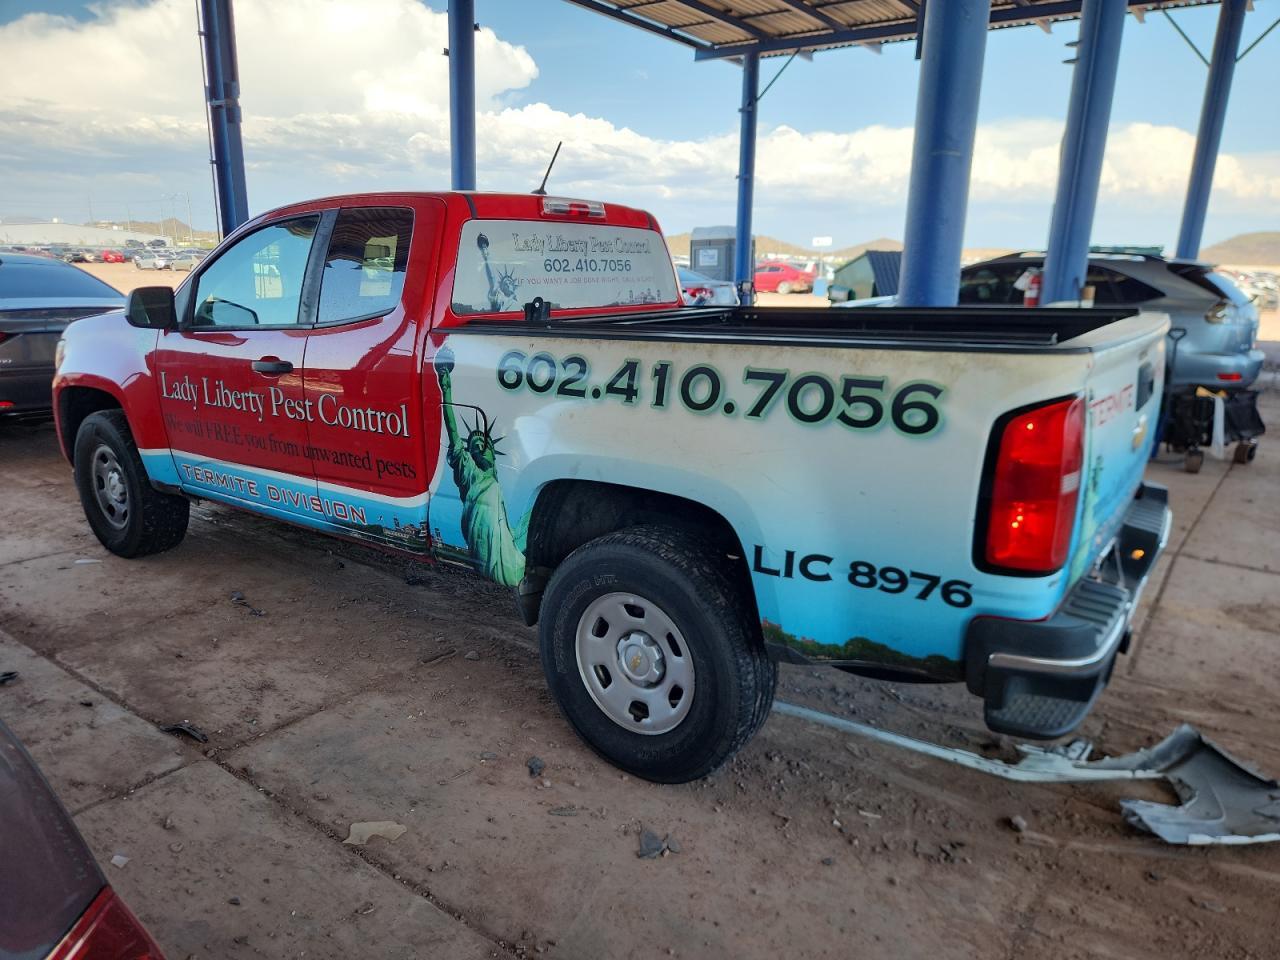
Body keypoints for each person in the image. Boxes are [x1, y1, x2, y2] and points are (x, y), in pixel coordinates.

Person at [433, 346, 526, 586]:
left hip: (504, 542)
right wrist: (446, 387)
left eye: (482, 444)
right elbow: (453, 430)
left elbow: (508, 528)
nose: (477, 448)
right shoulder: (468, 472)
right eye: (473, 445)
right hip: (480, 531)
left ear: (493, 452)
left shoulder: (495, 482)